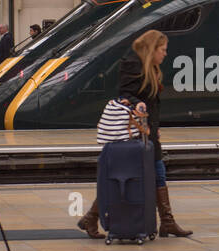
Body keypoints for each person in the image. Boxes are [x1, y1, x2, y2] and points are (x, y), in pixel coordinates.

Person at [77, 29, 193, 239]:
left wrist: (156, 127)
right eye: (163, 49)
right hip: (136, 132)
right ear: (152, 48)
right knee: (144, 175)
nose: (165, 54)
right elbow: (125, 93)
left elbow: (153, 103)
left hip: (148, 130)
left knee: (153, 173)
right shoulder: (132, 64)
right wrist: (136, 102)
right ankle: (166, 222)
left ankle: (91, 218)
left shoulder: (152, 67)